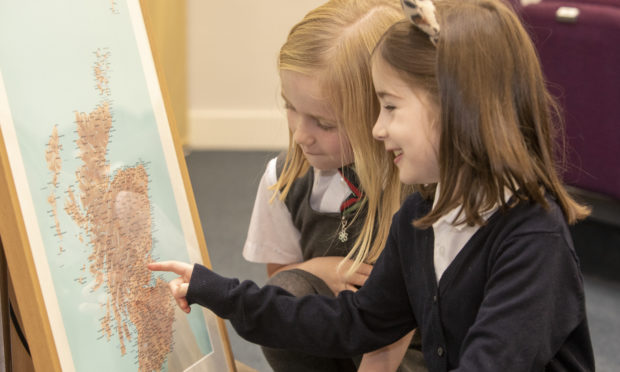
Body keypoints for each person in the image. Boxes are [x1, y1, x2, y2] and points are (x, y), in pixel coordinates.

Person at [149, 0, 595, 370]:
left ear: (457, 110)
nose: (377, 130)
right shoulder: (420, 217)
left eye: (390, 107)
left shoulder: (534, 239)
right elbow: (356, 322)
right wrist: (218, 291)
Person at [233, 0, 424, 370]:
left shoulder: (419, 181)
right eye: (290, 107)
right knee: (284, 298)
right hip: (339, 330)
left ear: (383, 109)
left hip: (418, 346)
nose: (301, 135)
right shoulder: (286, 178)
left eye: (324, 123)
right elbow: (283, 276)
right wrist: (322, 269)